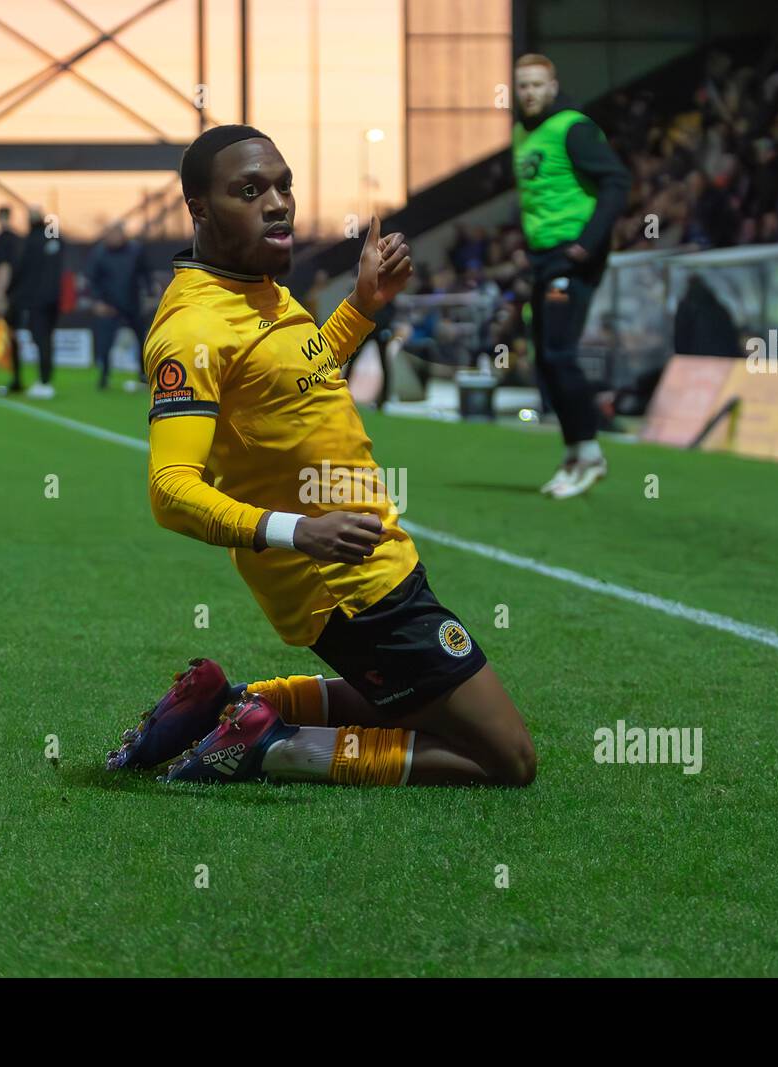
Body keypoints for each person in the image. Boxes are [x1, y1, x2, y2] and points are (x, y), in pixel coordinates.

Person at [104, 124, 536, 788]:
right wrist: (299, 532)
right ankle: (272, 747)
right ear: (199, 210)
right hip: (347, 582)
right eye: (249, 191)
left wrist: (361, 307)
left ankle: (233, 705)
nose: (277, 202)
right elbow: (170, 489)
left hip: (369, 554)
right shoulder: (192, 329)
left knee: (401, 699)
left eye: (283, 186)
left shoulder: (259, 287)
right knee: (504, 757)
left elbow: (298, 381)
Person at [512, 53, 630, 499]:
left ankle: (591, 452)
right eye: (523, 85)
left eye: (538, 85)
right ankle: (574, 454)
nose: (530, 93)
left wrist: (588, 242)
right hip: (544, 257)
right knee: (545, 359)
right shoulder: (521, 133)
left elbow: (618, 181)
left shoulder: (574, 127)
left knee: (560, 355)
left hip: (573, 256)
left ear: (553, 85)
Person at [85, 220, 155, 389]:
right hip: (109, 305)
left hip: (133, 302)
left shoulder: (136, 250)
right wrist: (98, 302)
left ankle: (143, 374)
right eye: (110, 234)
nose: (113, 238)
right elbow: (92, 280)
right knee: (105, 341)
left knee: (142, 340)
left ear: (123, 234)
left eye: (116, 234)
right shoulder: (99, 253)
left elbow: (146, 274)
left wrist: (150, 295)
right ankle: (104, 375)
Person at [7, 205, 65, 399]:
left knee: (40, 339)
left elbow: (20, 270)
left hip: (36, 299)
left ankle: (44, 381)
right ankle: (46, 379)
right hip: (53, 298)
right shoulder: (53, 239)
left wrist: (9, 293)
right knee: (47, 339)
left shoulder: (30, 242)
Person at [0, 205, 23, 396]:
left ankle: (15, 378)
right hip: (21, 292)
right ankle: (16, 377)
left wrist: (0, 294)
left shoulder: (2, 240)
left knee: (10, 334)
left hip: (11, 294)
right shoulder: (18, 239)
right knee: (13, 334)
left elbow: (4, 268)